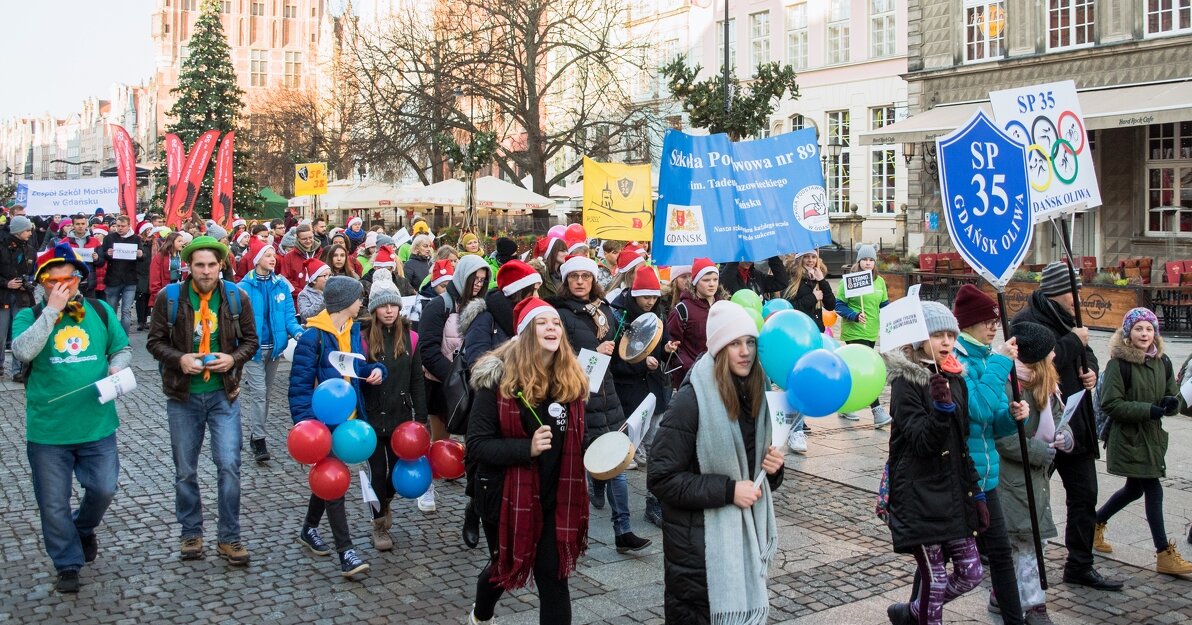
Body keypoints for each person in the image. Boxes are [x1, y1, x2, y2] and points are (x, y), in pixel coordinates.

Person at [648, 300, 784, 625]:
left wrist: (774, 470)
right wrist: (728, 490)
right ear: (719, 349)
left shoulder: (757, 395)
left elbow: (756, 476)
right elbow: (662, 478)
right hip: (699, 549)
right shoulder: (692, 399)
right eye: (735, 343)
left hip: (742, 540)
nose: (745, 351)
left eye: (750, 342)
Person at [465, 296, 590, 625]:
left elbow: (577, 440)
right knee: (504, 566)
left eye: (555, 323)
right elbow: (477, 445)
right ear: (525, 333)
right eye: (541, 323)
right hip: (506, 494)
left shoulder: (570, 381)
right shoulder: (497, 382)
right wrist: (526, 449)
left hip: (554, 497)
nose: (551, 328)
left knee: (553, 575)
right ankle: (480, 615)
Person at [13, 242, 131, 593]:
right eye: (54, 281)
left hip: (97, 424)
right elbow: (22, 351)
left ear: (80, 279)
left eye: (70, 279)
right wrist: (51, 311)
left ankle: (82, 528)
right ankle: (67, 563)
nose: (63, 286)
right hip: (49, 431)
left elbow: (122, 348)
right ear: (42, 283)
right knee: (52, 503)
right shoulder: (29, 315)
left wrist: (116, 367)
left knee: (104, 487)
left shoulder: (99, 309)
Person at [145, 236, 258, 566]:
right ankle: (191, 532)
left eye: (212, 264)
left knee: (230, 466)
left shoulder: (236, 297)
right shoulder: (170, 298)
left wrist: (233, 358)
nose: (206, 271)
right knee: (185, 471)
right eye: (200, 265)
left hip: (224, 395)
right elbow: (154, 343)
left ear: (221, 265)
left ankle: (229, 537)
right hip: (183, 397)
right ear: (188, 266)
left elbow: (251, 340)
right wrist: (179, 358)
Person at [1011, 262, 1119, 590]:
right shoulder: (1026, 320)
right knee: (1027, 495)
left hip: (1076, 422)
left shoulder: (1071, 318)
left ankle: (1080, 565)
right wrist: (1073, 341)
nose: (1079, 297)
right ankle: (1005, 553)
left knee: (1085, 495)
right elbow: (1034, 362)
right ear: (1059, 292)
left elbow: (1087, 353)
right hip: (1042, 423)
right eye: (1074, 292)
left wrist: (1092, 371)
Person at [883, 302, 985, 625]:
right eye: (937, 335)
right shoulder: (906, 383)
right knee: (936, 580)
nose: (946, 342)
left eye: (950, 335)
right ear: (918, 339)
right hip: (919, 494)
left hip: (953, 493)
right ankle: (925, 615)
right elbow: (923, 442)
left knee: (972, 573)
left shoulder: (956, 378)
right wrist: (940, 411)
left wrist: (976, 493)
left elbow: (962, 443)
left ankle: (913, 611)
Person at [550, 254, 651, 553]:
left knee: (617, 466)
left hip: (608, 398)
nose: (580, 281)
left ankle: (624, 530)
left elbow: (617, 355)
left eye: (586, 276)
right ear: (566, 281)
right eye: (574, 277)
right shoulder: (560, 314)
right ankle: (571, 531)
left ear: (594, 280)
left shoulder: (605, 310)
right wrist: (596, 350)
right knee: (575, 468)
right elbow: (558, 358)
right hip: (577, 399)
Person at [288, 276, 386, 578]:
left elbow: (357, 366)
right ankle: (346, 552)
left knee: (329, 478)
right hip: (322, 425)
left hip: (350, 421)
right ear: (345, 302)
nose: (362, 303)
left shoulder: (353, 330)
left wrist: (376, 371)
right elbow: (299, 388)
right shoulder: (312, 338)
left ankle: (308, 529)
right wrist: (308, 426)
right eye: (359, 298)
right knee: (335, 480)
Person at [1093, 308, 1192, 576]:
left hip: (1152, 438)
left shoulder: (1164, 361)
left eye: (1149, 329)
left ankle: (1095, 522)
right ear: (1128, 333)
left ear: (1155, 333)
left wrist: (1172, 404)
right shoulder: (1118, 364)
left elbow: (1173, 396)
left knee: (1134, 489)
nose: (1144, 334)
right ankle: (1163, 553)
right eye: (1138, 329)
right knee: (1153, 488)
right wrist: (1149, 410)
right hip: (1128, 438)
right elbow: (1111, 404)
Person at [949, 284, 1026, 623]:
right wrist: (999, 365)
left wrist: (1012, 416)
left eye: (995, 320)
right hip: (961, 475)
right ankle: (916, 609)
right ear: (966, 324)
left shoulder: (985, 358)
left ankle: (1014, 618)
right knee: (942, 551)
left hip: (987, 474)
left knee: (1000, 552)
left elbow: (992, 423)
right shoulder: (957, 361)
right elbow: (976, 408)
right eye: (986, 321)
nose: (994, 326)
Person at [1000, 321, 1071, 625]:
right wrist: (1041, 452)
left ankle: (1004, 595)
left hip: (1037, 479)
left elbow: (1058, 418)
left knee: (1030, 540)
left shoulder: (1046, 383)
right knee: (1027, 542)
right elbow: (1004, 437)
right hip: (1013, 479)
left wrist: (1065, 435)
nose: (1055, 355)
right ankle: (1033, 607)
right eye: (1050, 352)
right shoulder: (1009, 384)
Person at [358, 269, 427, 550]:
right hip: (372, 418)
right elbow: (355, 375)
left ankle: (384, 503)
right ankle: (379, 526)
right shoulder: (362, 338)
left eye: (393, 305)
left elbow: (417, 380)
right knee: (376, 472)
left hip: (401, 417)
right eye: (383, 306)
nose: (389, 311)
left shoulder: (410, 338)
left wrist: (421, 419)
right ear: (374, 309)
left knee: (395, 474)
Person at [418, 254, 490, 512]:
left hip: (473, 385)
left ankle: (472, 491)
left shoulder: (482, 307)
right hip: (441, 385)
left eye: (483, 280)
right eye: (475, 279)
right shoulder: (439, 306)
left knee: (474, 439)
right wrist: (454, 377)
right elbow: (427, 350)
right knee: (438, 438)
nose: (478, 284)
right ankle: (427, 487)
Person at [609, 265, 678, 527]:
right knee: (622, 450)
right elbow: (614, 360)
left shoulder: (658, 312)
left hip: (654, 391)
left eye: (654, 297)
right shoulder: (618, 315)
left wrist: (668, 349)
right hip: (628, 394)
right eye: (646, 297)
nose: (651, 302)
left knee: (656, 447)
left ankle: (654, 502)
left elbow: (662, 347)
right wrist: (641, 363)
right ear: (635, 293)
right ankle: (602, 487)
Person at [237, 243, 304, 463]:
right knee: (258, 393)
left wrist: (298, 333)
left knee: (264, 395)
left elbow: (288, 317)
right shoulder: (243, 287)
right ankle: (259, 439)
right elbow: (236, 319)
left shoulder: (281, 285)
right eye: (267, 255)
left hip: (275, 349)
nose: (272, 258)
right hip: (252, 350)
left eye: (273, 255)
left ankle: (256, 432)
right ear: (257, 259)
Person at [833, 244, 892, 427]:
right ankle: (877, 411)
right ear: (859, 261)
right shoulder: (849, 281)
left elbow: (884, 305)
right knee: (866, 368)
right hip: (854, 330)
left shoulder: (880, 281)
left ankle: (844, 404)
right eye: (865, 259)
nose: (868, 263)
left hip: (871, 331)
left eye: (871, 260)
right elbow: (839, 305)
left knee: (853, 370)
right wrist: (855, 315)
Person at [665, 258, 721, 388]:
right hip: (691, 378)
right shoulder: (682, 310)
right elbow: (673, 346)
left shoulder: (723, 305)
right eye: (706, 280)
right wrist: (687, 365)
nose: (712, 284)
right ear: (695, 282)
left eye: (715, 279)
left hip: (720, 375)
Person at [0, 215, 38, 379]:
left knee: (20, 333)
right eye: (28, 230)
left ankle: (18, 370)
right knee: (1, 334)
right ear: (18, 231)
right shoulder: (1, 247)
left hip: (23, 297)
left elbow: (32, 274)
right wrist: (6, 283)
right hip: (3, 296)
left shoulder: (30, 249)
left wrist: (29, 282)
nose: (30, 233)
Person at [98, 215, 143, 334]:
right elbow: (102, 255)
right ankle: (112, 337)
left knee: (126, 311)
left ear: (129, 226)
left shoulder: (136, 239)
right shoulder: (109, 238)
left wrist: (140, 254)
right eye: (118, 226)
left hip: (130, 279)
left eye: (123, 226)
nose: (120, 228)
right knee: (111, 310)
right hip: (113, 279)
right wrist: (107, 253)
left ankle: (124, 339)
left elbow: (142, 257)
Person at [277, 224, 322, 302]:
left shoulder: (321, 253)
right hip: (298, 300)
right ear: (298, 239)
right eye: (304, 239)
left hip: (321, 299)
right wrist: (303, 293)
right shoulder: (289, 257)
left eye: (310, 237)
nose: (308, 241)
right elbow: (286, 280)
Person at [148, 231, 191, 307]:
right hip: (165, 289)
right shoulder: (160, 256)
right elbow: (154, 276)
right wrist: (157, 293)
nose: (182, 243)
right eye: (179, 241)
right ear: (171, 242)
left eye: (182, 241)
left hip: (179, 288)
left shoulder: (182, 256)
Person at [720, 256, 789, 297]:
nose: (750, 260)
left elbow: (781, 282)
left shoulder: (756, 275)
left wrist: (772, 256)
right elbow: (722, 287)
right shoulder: (723, 274)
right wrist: (735, 259)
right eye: (745, 256)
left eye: (752, 255)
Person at [135, 222, 156, 330]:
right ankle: (140, 321)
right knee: (140, 296)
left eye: (150, 229)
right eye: (147, 230)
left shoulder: (155, 243)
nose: (149, 232)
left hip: (151, 273)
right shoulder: (138, 242)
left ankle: (146, 319)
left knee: (149, 296)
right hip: (140, 273)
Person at [297, 259, 330, 323]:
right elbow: (305, 315)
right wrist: (324, 301)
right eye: (324, 276)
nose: (328, 278)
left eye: (330, 275)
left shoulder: (330, 291)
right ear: (314, 280)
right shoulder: (304, 295)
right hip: (312, 329)